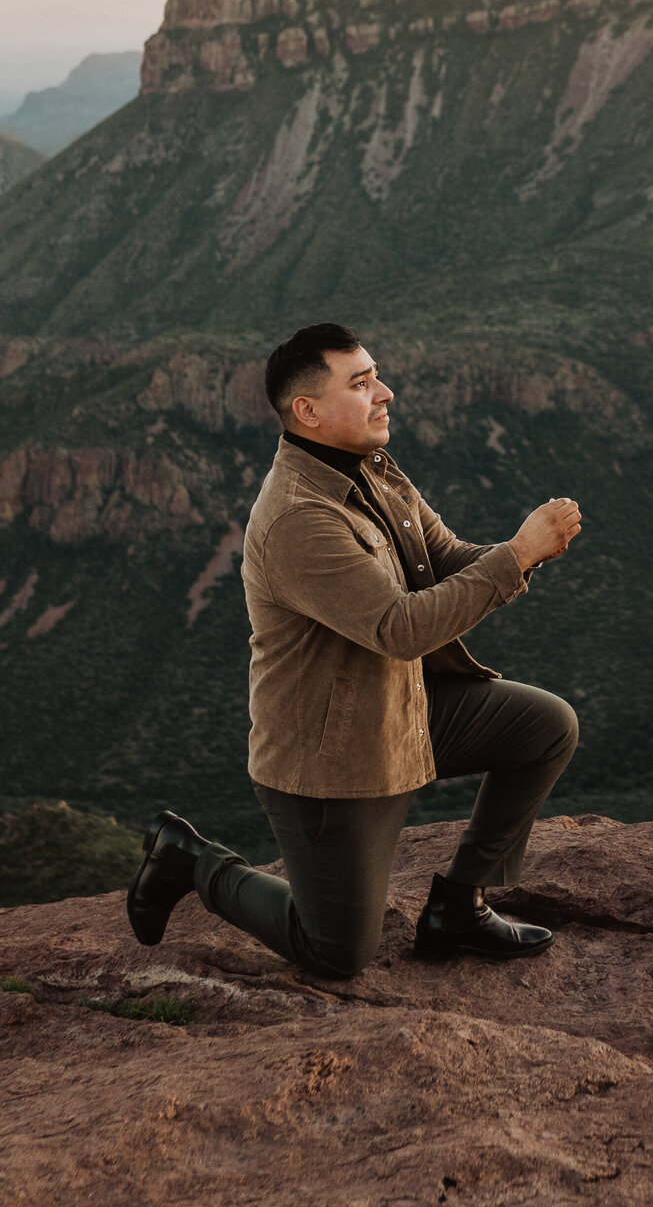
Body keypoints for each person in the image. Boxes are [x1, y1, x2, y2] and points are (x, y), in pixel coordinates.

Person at [127, 322, 582, 978]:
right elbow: (399, 628)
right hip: (331, 762)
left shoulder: (373, 468)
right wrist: (516, 554)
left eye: (377, 376)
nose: (386, 393)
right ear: (307, 411)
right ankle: (191, 861)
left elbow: (446, 561)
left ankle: (459, 904)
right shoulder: (298, 517)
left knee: (546, 727)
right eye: (362, 383)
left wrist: (524, 553)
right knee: (336, 952)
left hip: (400, 712)